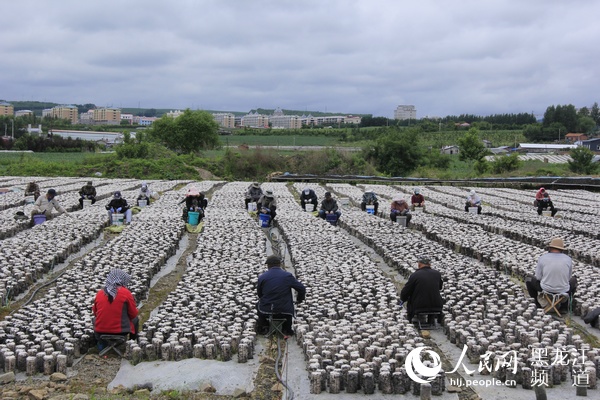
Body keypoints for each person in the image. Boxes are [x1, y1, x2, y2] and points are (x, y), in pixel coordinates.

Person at [256, 255, 306, 337]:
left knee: (258, 305)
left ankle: (264, 326)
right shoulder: (287, 276)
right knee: (288, 311)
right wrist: (300, 299)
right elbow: (301, 289)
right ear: (280, 264)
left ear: (268, 265)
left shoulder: (262, 277)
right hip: (285, 310)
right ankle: (286, 329)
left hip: (267, 310)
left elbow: (260, 294)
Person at [92, 269, 139, 350]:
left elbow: (95, 312)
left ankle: (101, 343)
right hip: (121, 330)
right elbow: (133, 314)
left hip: (101, 330)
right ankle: (131, 343)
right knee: (136, 320)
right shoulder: (126, 293)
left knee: (94, 320)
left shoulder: (100, 293)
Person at [526, 237, 577, 309]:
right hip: (563, 290)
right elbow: (568, 278)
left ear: (550, 248)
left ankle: (537, 304)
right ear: (561, 249)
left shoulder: (543, 258)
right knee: (574, 280)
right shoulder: (568, 259)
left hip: (546, 289)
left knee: (529, 278)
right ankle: (564, 306)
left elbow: (538, 277)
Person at [400, 256, 444, 323]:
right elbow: (440, 287)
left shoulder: (415, 275)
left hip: (419, 306)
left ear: (419, 264)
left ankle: (410, 320)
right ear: (429, 265)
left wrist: (403, 299)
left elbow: (406, 291)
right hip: (437, 305)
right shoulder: (437, 274)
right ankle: (431, 320)